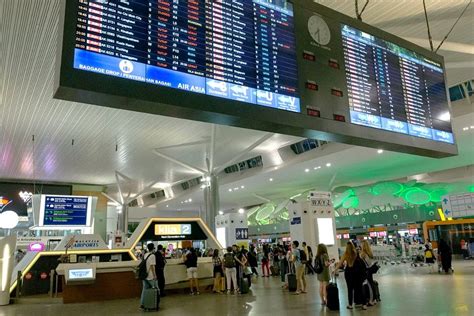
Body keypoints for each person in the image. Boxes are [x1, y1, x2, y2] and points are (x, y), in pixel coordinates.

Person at [335, 241, 367, 310]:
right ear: (352, 246)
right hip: (356, 273)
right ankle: (364, 304)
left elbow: (340, 263)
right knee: (359, 288)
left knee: (350, 289)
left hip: (348, 273)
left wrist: (335, 270)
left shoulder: (345, 254)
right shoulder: (356, 253)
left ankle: (350, 304)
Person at [140, 243, 157, 310]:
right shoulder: (152, 255)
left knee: (144, 290)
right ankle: (153, 304)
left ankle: (142, 304)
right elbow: (152, 266)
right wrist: (155, 275)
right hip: (150, 276)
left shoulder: (145, 255)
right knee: (155, 289)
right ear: (153, 248)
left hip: (144, 275)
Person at [360, 240, 377, 305]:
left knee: (369, 285)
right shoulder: (369, 253)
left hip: (366, 271)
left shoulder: (363, 254)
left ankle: (371, 300)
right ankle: (374, 299)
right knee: (371, 284)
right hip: (370, 270)